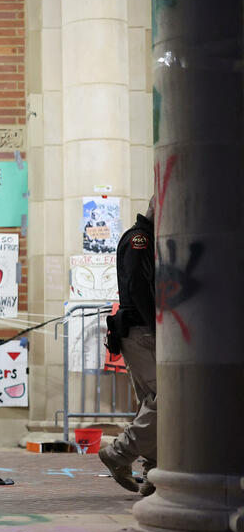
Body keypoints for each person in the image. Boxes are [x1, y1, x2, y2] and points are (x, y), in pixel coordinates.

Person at [100, 196, 157, 496]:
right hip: (142, 330)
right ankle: (118, 454)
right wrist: (158, 328)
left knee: (152, 403)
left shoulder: (144, 237)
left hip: (139, 331)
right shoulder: (140, 239)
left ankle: (153, 475)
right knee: (166, 399)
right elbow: (137, 285)